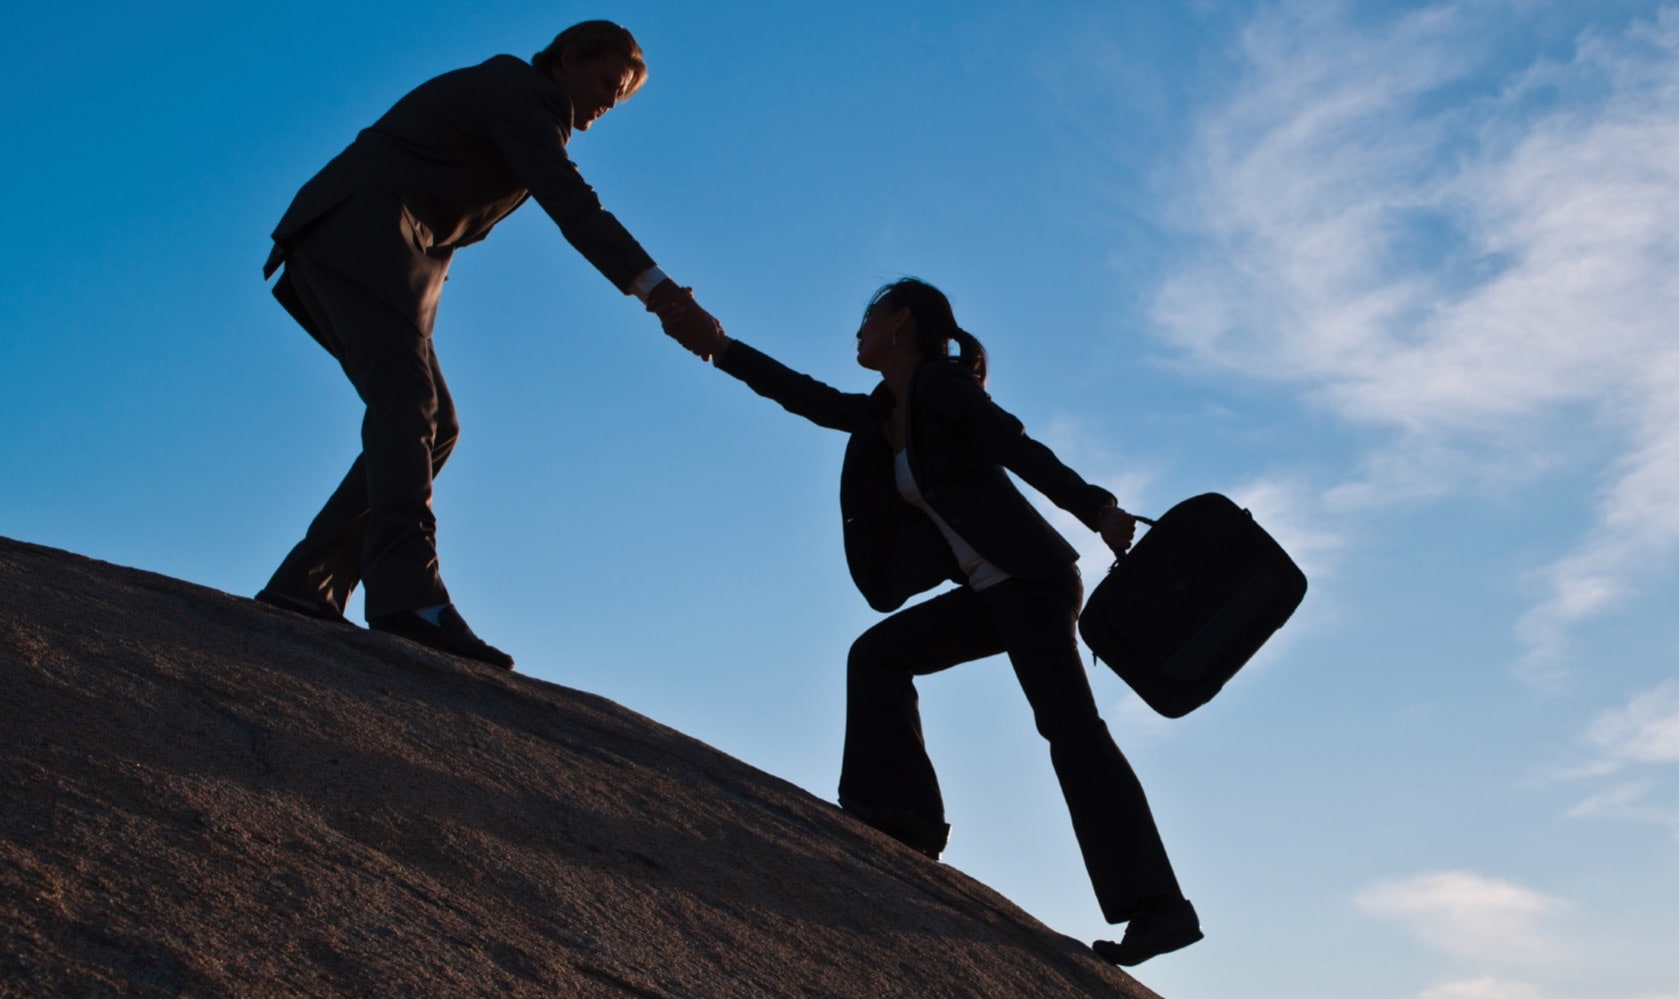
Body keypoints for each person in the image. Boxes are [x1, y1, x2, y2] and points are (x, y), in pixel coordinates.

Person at [661, 278, 1202, 966]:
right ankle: (901, 817)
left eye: (868, 318)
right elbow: (806, 396)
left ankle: (1160, 909)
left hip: (1031, 581)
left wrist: (1097, 508)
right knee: (879, 655)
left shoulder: (943, 387)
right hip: (990, 592)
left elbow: (1014, 446)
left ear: (900, 322)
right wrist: (720, 347)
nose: (856, 331)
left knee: (1071, 731)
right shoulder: (887, 409)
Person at [254, 21, 721, 669]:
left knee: (435, 422)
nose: (610, 102)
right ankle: (408, 595)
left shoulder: (522, 103)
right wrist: (665, 296)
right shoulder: (523, 96)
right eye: (608, 83)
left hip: (374, 249)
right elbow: (575, 208)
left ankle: (310, 582)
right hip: (357, 232)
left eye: (623, 96)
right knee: (409, 402)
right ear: (564, 59)